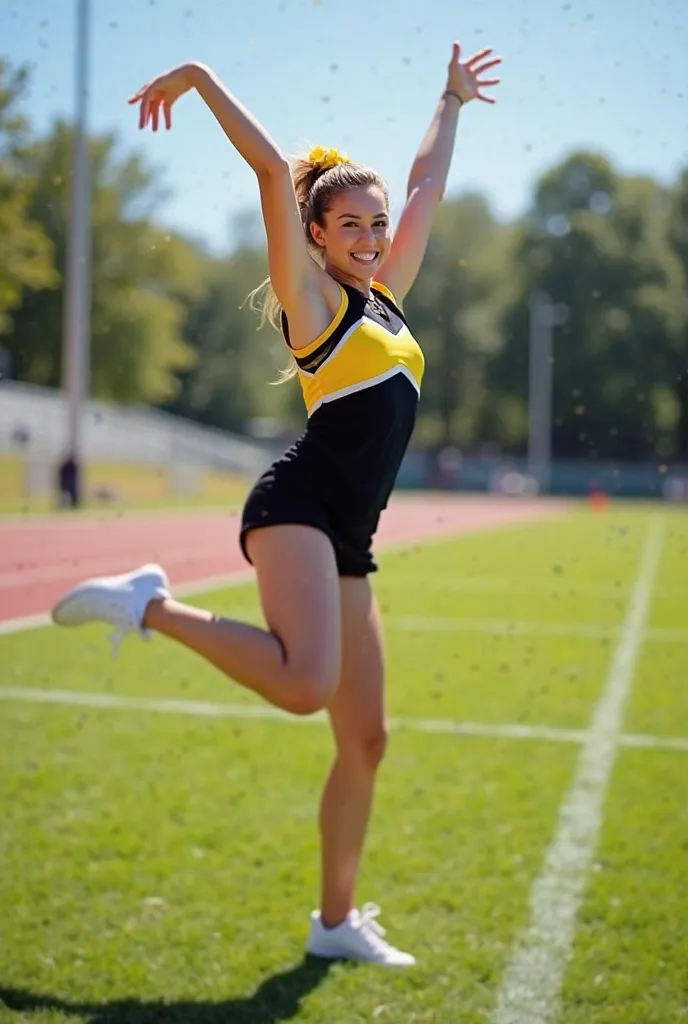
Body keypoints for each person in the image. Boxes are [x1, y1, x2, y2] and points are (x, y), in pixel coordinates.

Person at [50, 42, 501, 966]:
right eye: (352, 227)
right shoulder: (314, 304)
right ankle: (150, 605)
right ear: (317, 236)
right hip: (296, 505)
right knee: (304, 686)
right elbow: (266, 167)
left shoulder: (388, 304)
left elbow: (423, 190)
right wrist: (203, 78)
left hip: (350, 535)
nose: (373, 239)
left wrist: (449, 102)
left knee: (365, 737)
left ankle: (334, 925)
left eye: (376, 227)